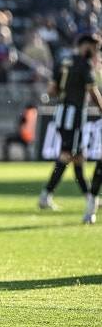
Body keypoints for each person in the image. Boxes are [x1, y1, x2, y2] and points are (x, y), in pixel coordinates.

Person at [39, 34, 102, 219]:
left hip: (62, 114)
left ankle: (89, 197)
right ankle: (46, 195)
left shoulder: (62, 61)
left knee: (79, 157)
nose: (96, 52)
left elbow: (51, 90)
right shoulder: (84, 64)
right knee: (67, 155)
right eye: (95, 48)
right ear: (86, 46)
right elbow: (92, 91)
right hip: (74, 117)